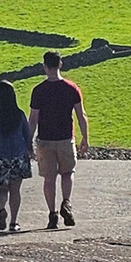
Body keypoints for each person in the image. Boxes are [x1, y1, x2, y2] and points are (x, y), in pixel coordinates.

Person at [29, 51, 89, 230]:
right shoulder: (72, 88)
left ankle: (52, 213)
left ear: (45, 67)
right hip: (65, 138)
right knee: (67, 172)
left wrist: (28, 141)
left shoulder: (38, 91)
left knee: (49, 178)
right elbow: (81, 115)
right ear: (60, 64)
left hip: (45, 140)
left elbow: (33, 120)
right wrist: (85, 137)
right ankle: (66, 203)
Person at [0, 80, 32, 233]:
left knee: (0, 189)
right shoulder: (19, 114)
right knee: (15, 190)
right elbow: (27, 135)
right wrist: (29, 151)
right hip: (18, 156)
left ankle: (2, 208)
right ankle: (14, 222)